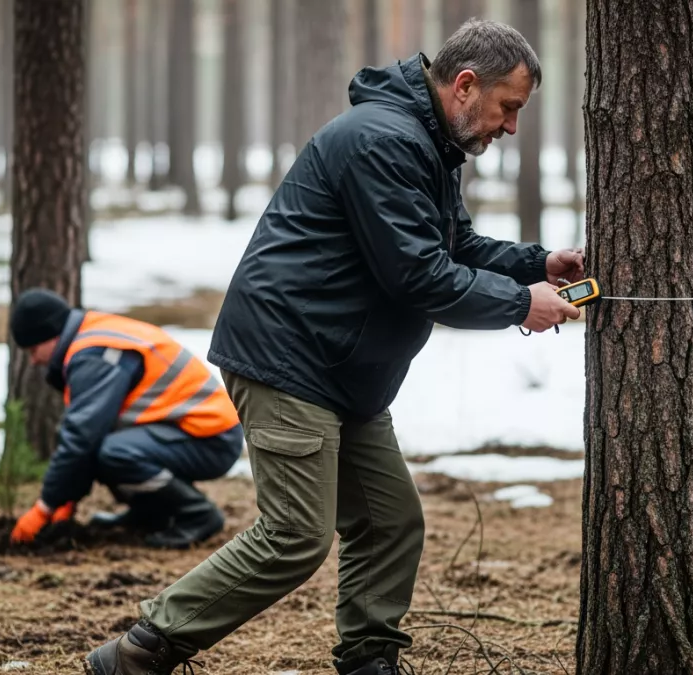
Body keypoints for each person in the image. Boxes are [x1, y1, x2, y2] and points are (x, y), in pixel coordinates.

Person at [84, 19, 583, 675]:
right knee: (294, 535)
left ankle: (369, 660)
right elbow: (418, 276)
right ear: (465, 85)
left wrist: (537, 264)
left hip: (344, 372)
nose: (510, 126)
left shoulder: (427, 145)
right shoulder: (383, 142)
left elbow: (454, 247)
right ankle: (139, 652)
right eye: (507, 107)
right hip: (291, 360)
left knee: (388, 522)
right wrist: (521, 304)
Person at [6, 288, 245, 549]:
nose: (33, 361)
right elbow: (88, 434)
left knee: (116, 452)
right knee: (108, 448)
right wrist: (67, 498)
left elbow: (81, 438)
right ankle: (150, 515)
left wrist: (45, 507)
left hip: (212, 437)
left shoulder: (95, 356)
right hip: (185, 430)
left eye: (33, 350)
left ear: (51, 335)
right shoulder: (91, 338)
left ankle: (198, 515)